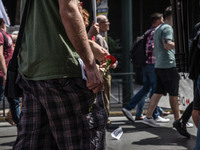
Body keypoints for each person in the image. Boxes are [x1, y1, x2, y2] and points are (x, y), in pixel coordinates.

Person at [13, 0, 108, 149]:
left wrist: (88, 45)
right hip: (64, 72)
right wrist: (90, 66)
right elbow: (68, 11)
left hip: (32, 71)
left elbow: (47, 26)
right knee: (83, 141)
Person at [122, 13, 170, 123]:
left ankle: (129, 107)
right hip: (152, 64)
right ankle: (154, 115)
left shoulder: (147, 32)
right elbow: (152, 48)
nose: (163, 21)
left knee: (146, 89)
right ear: (157, 20)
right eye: (162, 19)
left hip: (146, 65)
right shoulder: (155, 32)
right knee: (155, 89)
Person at [142, 6, 181, 128]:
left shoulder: (158, 28)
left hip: (159, 65)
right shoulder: (168, 28)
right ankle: (178, 121)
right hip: (169, 65)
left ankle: (148, 117)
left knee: (158, 92)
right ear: (173, 16)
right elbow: (168, 45)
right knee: (174, 94)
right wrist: (181, 46)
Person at [95, 15, 117, 126]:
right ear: (99, 24)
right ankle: (105, 119)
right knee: (105, 96)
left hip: (102, 70)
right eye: (106, 22)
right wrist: (113, 64)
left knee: (105, 96)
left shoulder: (100, 37)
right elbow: (103, 56)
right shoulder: (99, 38)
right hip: (104, 71)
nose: (108, 24)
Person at [0, 18, 21, 126]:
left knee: (15, 101)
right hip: (3, 75)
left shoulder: (5, 34)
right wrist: (4, 73)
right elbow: (0, 55)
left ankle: (21, 126)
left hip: (9, 74)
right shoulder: (0, 34)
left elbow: (16, 38)